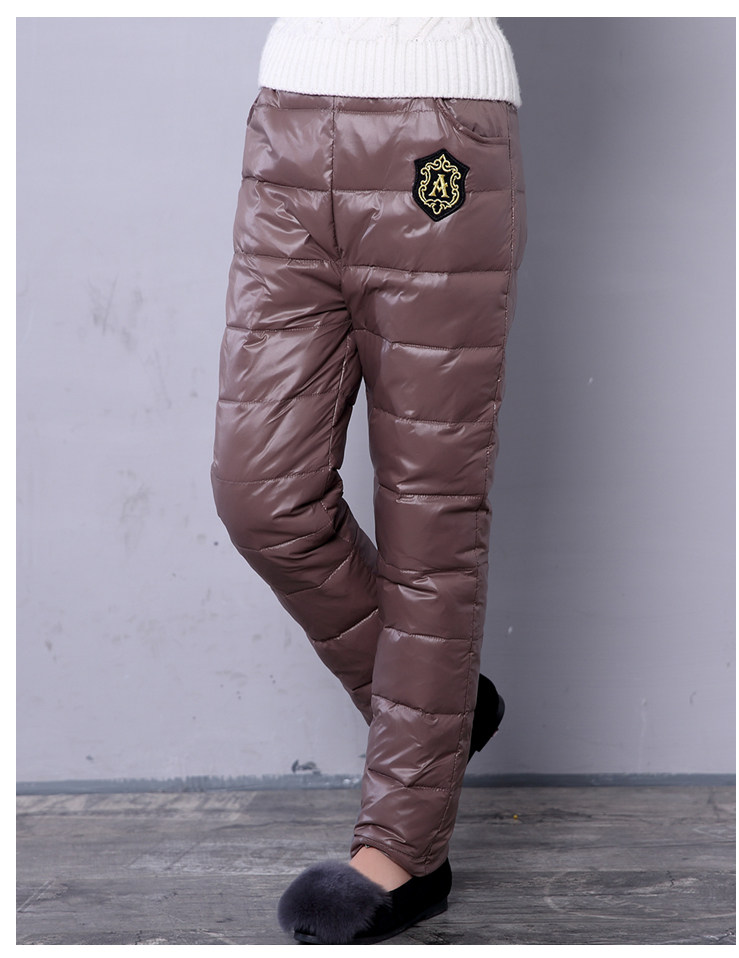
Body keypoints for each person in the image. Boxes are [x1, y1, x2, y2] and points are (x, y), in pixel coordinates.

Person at [211, 16, 526, 945]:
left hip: (438, 135)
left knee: (430, 517)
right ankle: (447, 719)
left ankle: (404, 853)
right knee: (261, 497)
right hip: (286, 125)